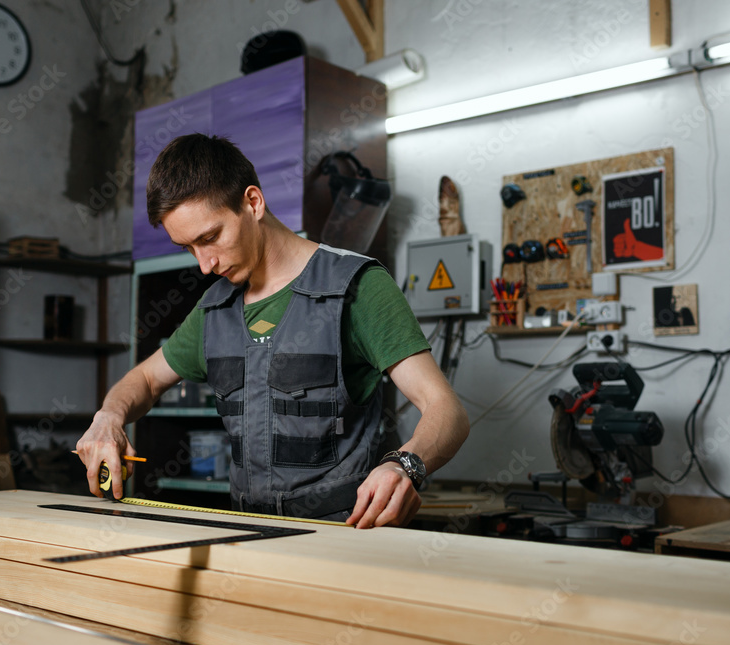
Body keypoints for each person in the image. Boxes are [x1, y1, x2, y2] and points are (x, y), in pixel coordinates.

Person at [76, 134, 469, 528]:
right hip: (247, 539)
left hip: (346, 540)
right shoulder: (215, 309)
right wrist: (108, 417)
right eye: (188, 248)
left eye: (209, 238)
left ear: (253, 202)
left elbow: (446, 410)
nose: (204, 264)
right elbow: (144, 378)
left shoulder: (357, 287)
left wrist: (404, 465)